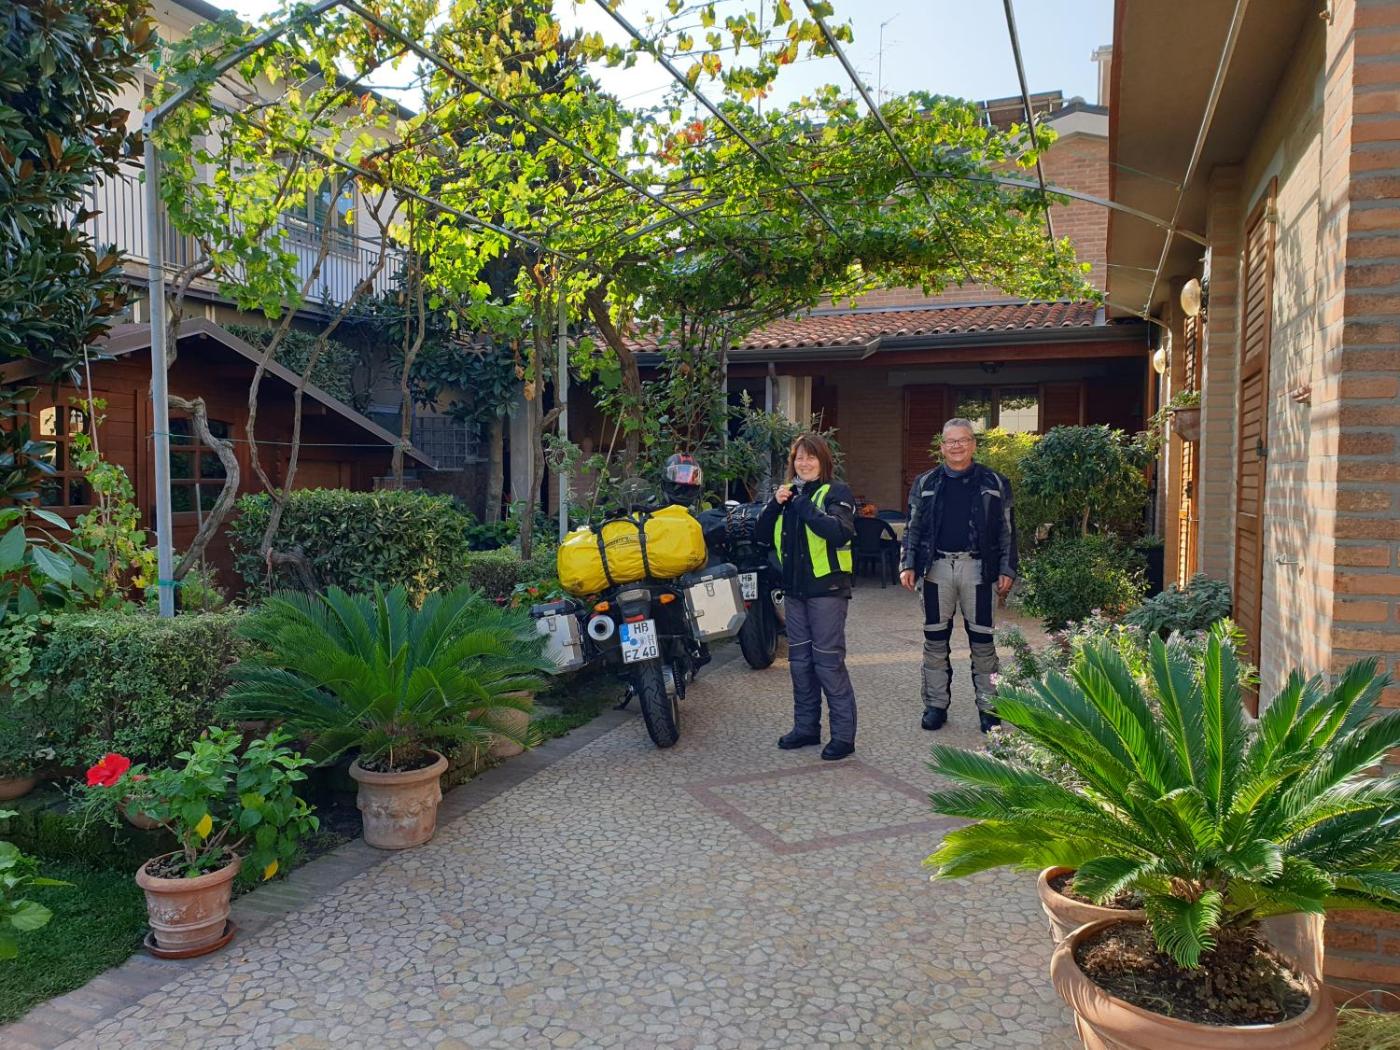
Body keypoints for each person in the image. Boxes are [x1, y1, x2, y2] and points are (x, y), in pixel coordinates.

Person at [899, 419, 1017, 733]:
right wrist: (907, 563)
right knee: (935, 640)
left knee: (983, 641)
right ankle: (935, 706)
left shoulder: (995, 481)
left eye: (963, 440)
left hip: (978, 568)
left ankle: (989, 709)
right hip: (936, 567)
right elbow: (912, 527)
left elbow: (1007, 530)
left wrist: (1007, 568)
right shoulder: (925, 482)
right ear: (942, 447)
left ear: (973, 444)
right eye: (950, 441)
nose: (956, 446)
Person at [757, 433, 859, 761]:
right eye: (799, 457)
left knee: (827, 664)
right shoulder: (787, 496)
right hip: (794, 592)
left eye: (810, 457)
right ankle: (806, 728)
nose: (804, 463)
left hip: (827, 592)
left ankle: (843, 737)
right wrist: (775, 504)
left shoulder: (837, 492)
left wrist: (801, 503)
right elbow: (760, 535)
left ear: (823, 460)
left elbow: (838, 531)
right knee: (800, 664)